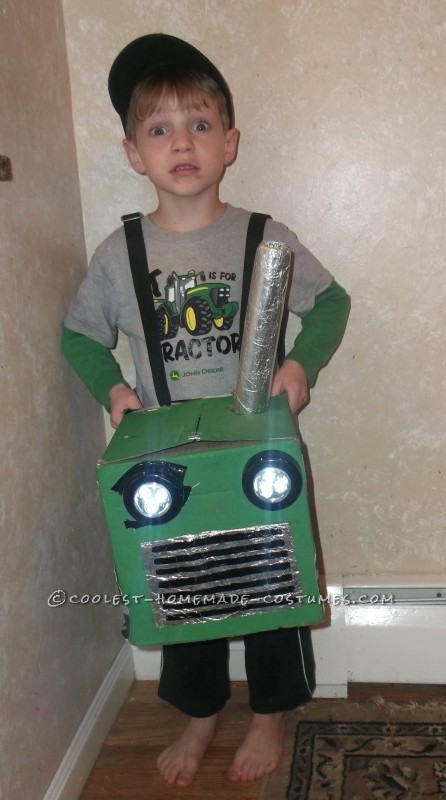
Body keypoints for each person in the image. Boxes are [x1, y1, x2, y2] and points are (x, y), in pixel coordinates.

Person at [62, 33, 350, 788]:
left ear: (230, 143)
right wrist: (114, 392)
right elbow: (79, 337)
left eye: (198, 125)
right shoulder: (116, 255)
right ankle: (198, 712)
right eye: (159, 129)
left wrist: (299, 363)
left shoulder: (265, 237)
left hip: (255, 446)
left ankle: (271, 710)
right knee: (180, 585)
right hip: (165, 459)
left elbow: (331, 304)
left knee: (269, 581)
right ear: (132, 153)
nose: (180, 143)